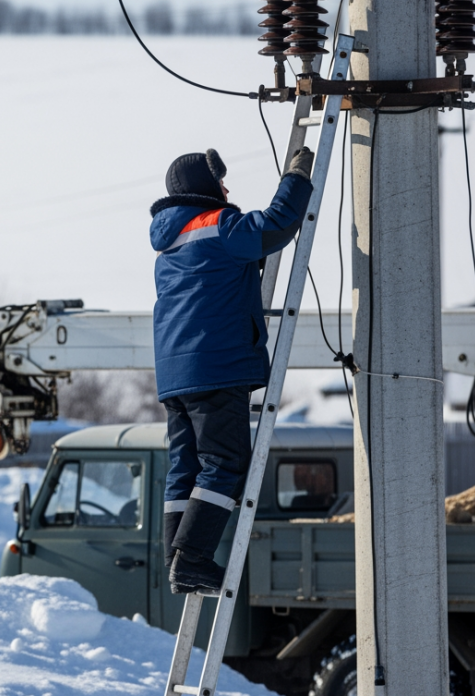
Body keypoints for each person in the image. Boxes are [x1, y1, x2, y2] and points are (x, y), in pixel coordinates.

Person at [150, 146, 315, 595]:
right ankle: (195, 558)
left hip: (174, 376)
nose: (226, 189)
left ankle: (178, 560)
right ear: (204, 188)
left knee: (185, 468)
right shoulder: (217, 227)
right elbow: (277, 225)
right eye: (219, 181)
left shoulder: (169, 243)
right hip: (216, 367)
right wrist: (298, 177)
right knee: (225, 463)